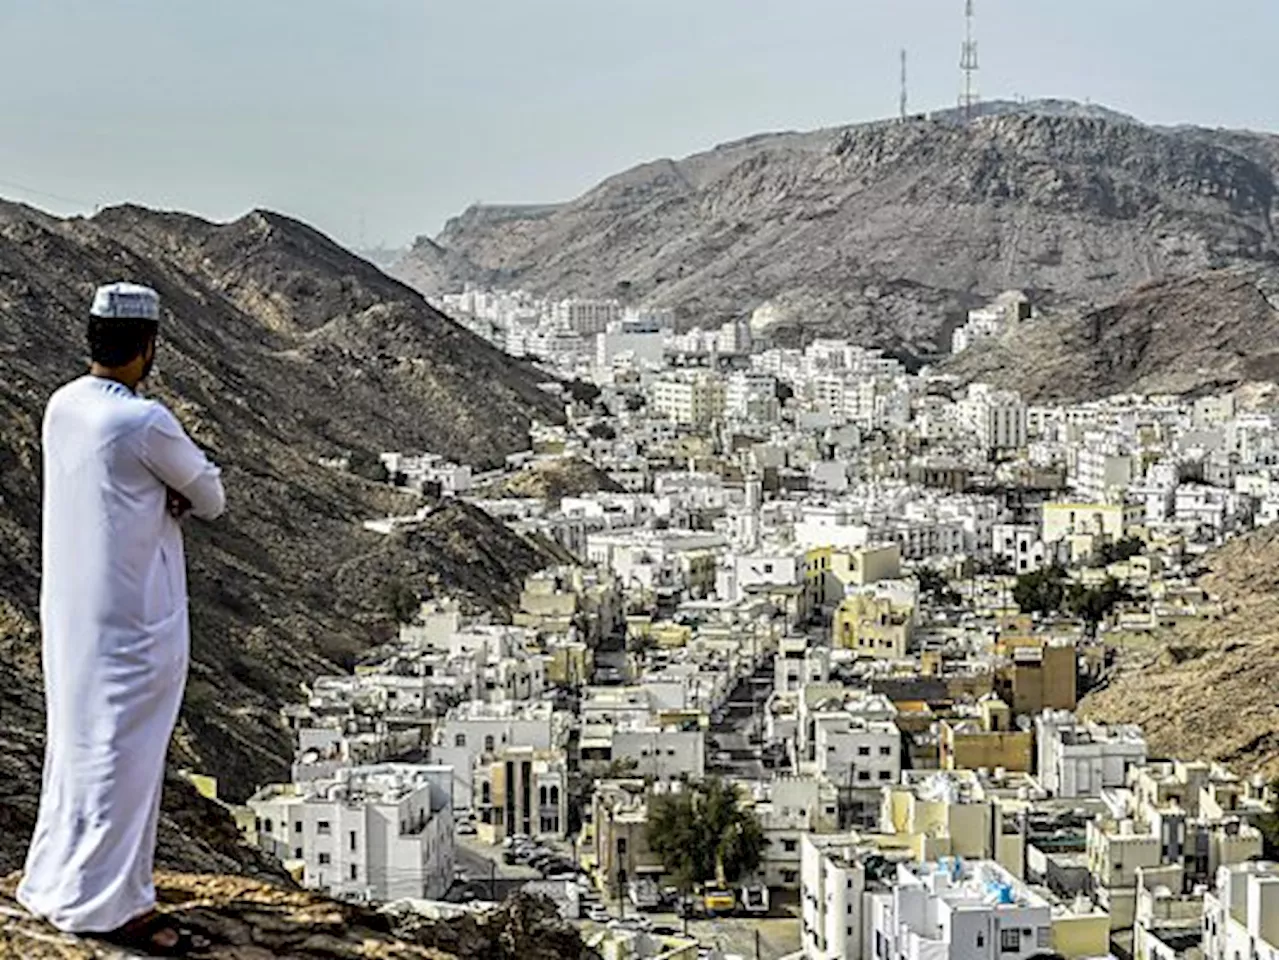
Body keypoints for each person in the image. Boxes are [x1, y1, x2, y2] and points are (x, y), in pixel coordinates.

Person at [17, 282, 225, 955]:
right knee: (125, 760)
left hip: (72, 613)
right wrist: (174, 494)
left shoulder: (62, 406)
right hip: (137, 621)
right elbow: (212, 496)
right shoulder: (143, 421)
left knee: (78, 750)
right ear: (147, 347)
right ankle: (108, 907)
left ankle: (54, 880)